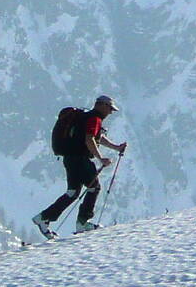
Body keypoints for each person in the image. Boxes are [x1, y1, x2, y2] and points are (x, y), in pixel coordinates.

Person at [33, 95, 129, 237]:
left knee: (72, 193)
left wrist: (116, 147)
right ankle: (83, 223)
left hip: (70, 159)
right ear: (101, 105)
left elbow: (98, 137)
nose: (110, 112)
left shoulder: (86, 117)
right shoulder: (94, 119)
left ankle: (43, 218)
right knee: (94, 187)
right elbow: (90, 139)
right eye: (110, 108)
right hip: (80, 159)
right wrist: (101, 158)